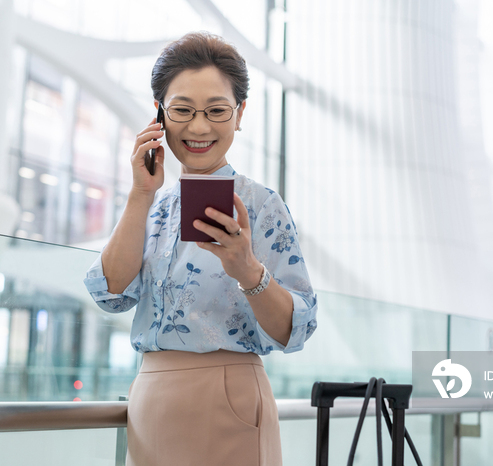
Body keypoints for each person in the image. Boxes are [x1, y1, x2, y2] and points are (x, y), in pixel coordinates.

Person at [83, 31, 317, 466]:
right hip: (151, 398)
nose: (199, 126)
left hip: (229, 398)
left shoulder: (263, 206)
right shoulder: (149, 205)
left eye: (216, 110)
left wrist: (248, 270)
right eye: (182, 110)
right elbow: (110, 292)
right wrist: (139, 194)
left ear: (239, 113)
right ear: (159, 114)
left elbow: (296, 328)